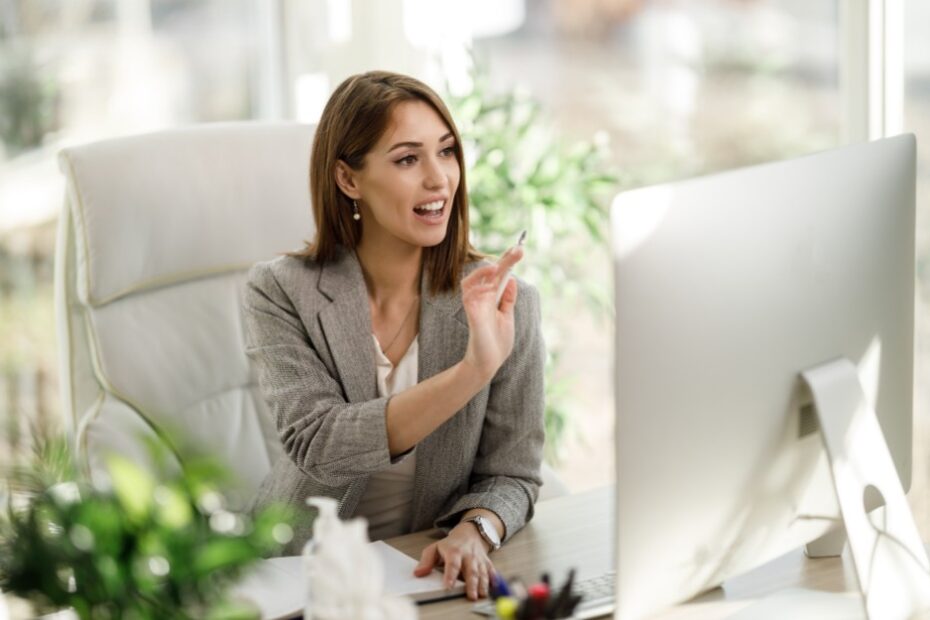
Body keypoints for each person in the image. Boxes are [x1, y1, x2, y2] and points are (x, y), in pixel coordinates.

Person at [243, 70, 545, 601]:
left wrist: (474, 531)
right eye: (408, 159)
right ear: (348, 179)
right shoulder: (279, 291)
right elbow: (320, 445)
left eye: (447, 152)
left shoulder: (502, 305)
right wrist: (472, 371)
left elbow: (512, 474)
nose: (439, 179)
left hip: (421, 576)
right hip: (296, 575)